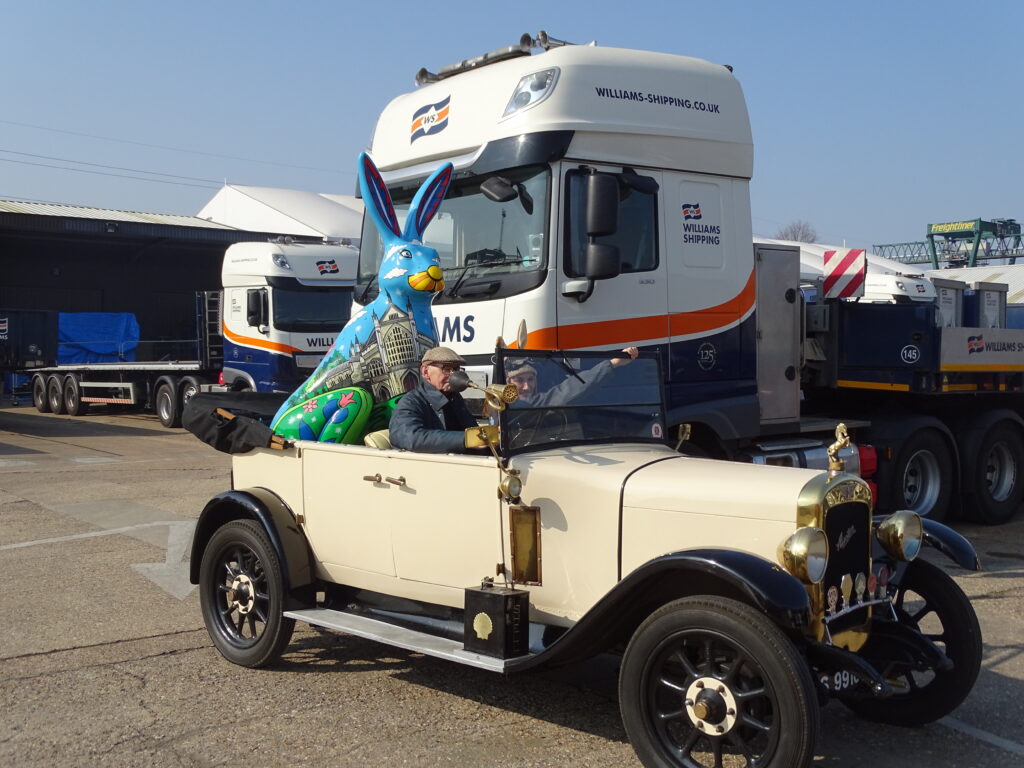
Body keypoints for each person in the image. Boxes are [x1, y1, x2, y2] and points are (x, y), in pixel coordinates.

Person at [389, 347, 480, 453]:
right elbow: (410, 438)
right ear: (425, 372)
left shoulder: (454, 398)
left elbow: (472, 429)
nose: (454, 375)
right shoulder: (411, 402)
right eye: (447, 369)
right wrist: (468, 439)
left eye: (456, 370)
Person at [506, 347, 639, 408]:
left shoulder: (537, 403)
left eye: (530, 379)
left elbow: (569, 389)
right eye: (519, 380)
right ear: (508, 382)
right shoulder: (497, 406)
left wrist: (613, 363)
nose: (527, 387)